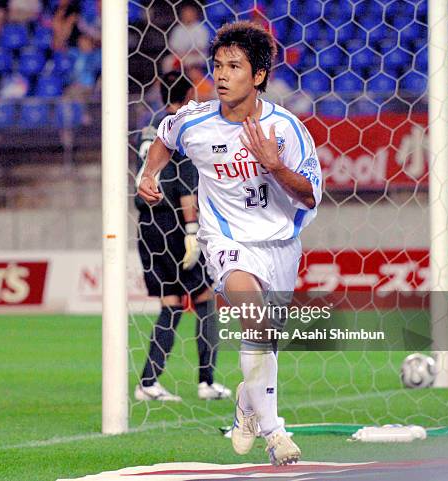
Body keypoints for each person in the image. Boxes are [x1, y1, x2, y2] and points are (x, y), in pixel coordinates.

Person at [138, 22, 322, 465]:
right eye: (218, 65)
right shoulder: (194, 119)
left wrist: (275, 167)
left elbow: (310, 194)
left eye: (234, 66)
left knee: (265, 342)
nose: (221, 75)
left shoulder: (286, 129)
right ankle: (276, 434)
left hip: (280, 244)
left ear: (258, 76)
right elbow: (164, 139)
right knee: (254, 320)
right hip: (225, 240)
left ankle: (248, 403)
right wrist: (149, 174)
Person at [134, 71, 231, 402]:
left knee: (172, 303)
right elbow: (185, 185)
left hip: (148, 225)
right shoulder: (185, 126)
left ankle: (148, 381)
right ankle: (206, 382)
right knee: (204, 298)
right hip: (177, 223)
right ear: (190, 93)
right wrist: (192, 229)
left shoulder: (148, 128)